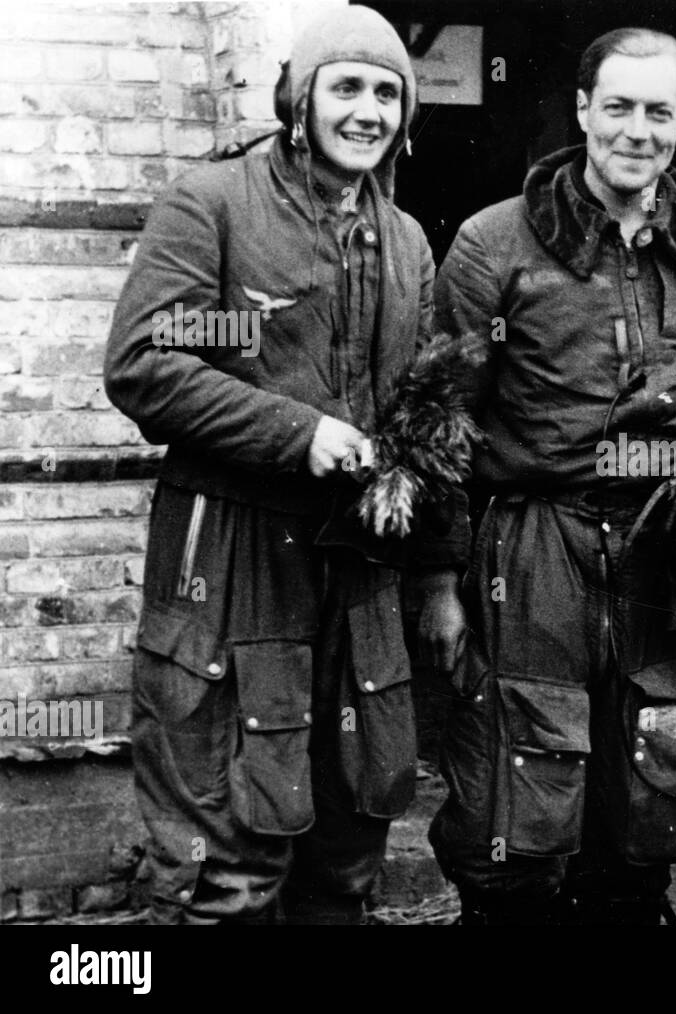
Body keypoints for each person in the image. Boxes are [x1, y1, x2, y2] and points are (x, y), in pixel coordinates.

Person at [427, 27, 676, 925]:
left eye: (659, 111)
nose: (639, 130)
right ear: (585, 111)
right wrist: (439, 581)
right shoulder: (494, 243)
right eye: (620, 107)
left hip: (662, 554)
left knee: (649, 789)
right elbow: (438, 421)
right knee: (516, 801)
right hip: (533, 542)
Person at [104, 5, 469, 924]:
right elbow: (146, 363)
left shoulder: (409, 243)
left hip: (358, 576)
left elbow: (430, 417)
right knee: (229, 864)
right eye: (345, 87)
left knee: (347, 850)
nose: (368, 111)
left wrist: (436, 575)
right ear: (298, 101)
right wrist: (296, 432)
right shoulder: (215, 205)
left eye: (389, 93)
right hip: (231, 560)